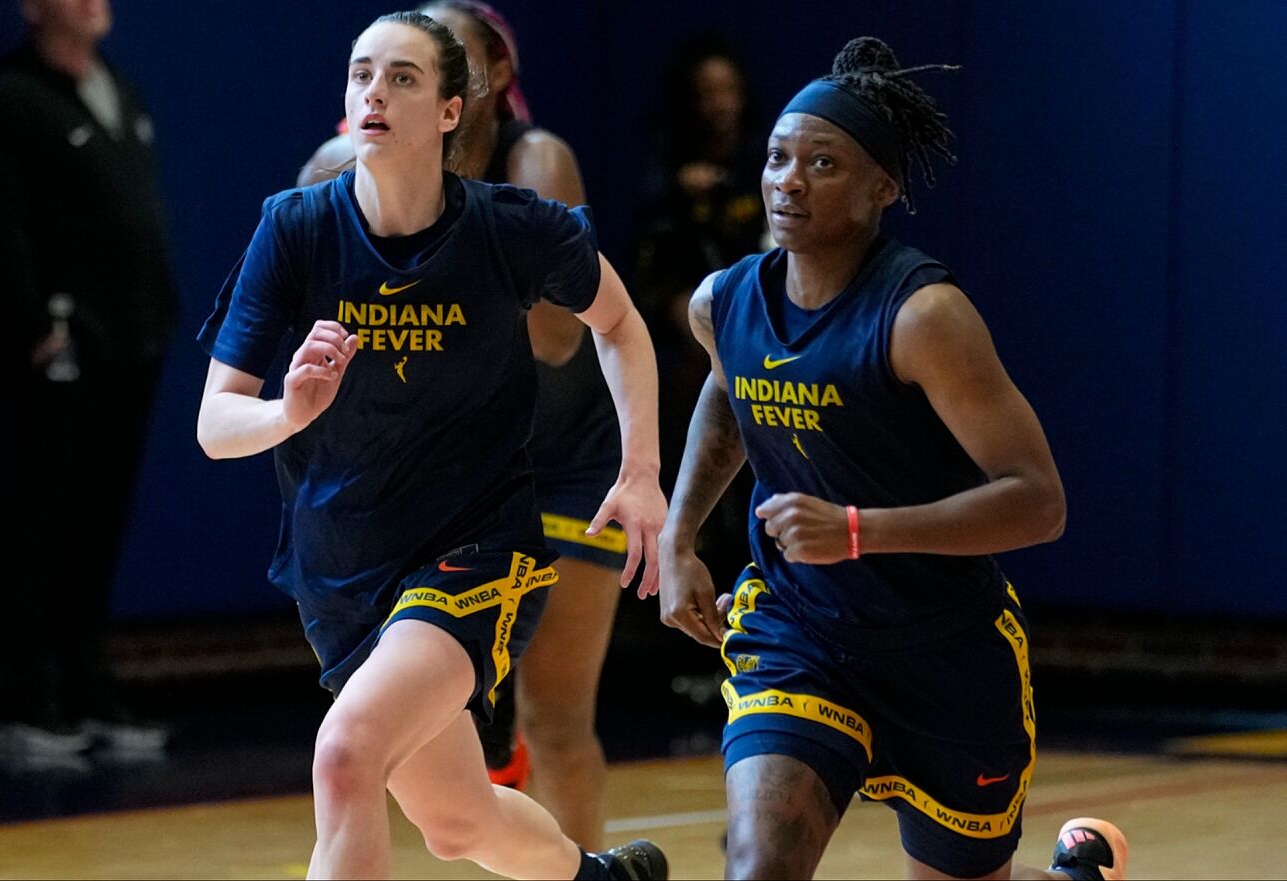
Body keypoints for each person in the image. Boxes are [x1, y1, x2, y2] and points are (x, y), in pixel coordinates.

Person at [197, 12, 668, 880]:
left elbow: (620, 322)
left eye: (403, 77)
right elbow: (215, 424)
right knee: (458, 821)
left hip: (475, 548)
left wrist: (641, 470)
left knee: (344, 754)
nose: (374, 92)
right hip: (339, 562)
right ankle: (598, 876)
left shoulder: (512, 224)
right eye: (361, 74)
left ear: (453, 109)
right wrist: (289, 412)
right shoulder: (296, 226)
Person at [657, 37, 1129, 881]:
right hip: (797, 626)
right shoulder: (723, 301)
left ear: (884, 188)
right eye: (776, 158)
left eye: (823, 162)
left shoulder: (924, 316)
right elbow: (729, 396)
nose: (788, 180)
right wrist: (679, 538)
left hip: (944, 647)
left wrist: (857, 529)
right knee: (759, 867)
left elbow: (1037, 501)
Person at [296, 0, 625, 848]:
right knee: (426, 792)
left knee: (553, 714)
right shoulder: (335, 173)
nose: (417, 79)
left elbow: (554, 340)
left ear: (485, 83)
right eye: (395, 67)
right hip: (428, 482)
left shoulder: (534, 161)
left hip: (561, 460)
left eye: (448, 63)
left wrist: (440, 266)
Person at [0, 0, 174, 767]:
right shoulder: (10, 101)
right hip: (61, 354)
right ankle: (30, 701)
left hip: (134, 346)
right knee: (37, 519)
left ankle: (91, 687)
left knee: (99, 524)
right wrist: (38, 324)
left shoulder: (118, 88)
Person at [632, 34, 766, 598]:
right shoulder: (663, 173)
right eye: (707, 92)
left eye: (728, 90)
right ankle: (687, 547)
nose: (720, 103)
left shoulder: (764, 164)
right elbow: (646, 274)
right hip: (689, 338)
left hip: (760, 328)